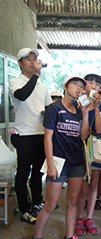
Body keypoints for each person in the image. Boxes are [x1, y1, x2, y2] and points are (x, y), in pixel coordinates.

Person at [33, 74, 89, 239]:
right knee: (51, 203)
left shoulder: (79, 111)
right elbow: (48, 137)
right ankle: (37, 236)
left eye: (81, 86)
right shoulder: (54, 108)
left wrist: (86, 114)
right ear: (65, 86)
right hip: (58, 162)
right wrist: (50, 163)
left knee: (73, 201)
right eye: (75, 84)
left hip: (77, 162)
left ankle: (69, 235)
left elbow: (84, 136)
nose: (79, 88)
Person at [9, 48, 52, 224]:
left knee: (37, 174)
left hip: (40, 134)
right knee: (23, 173)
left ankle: (37, 203)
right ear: (20, 63)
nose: (33, 61)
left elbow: (49, 108)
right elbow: (22, 95)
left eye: (35, 58)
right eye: (28, 59)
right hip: (24, 134)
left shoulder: (43, 87)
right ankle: (25, 209)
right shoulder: (15, 81)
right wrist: (35, 76)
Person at [74, 73, 101, 236]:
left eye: (97, 84)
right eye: (90, 82)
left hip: (95, 148)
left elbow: (99, 130)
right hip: (79, 148)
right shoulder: (76, 103)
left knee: (94, 183)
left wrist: (96, 107)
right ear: (84, 86)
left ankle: (89, 218)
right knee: (82, 186)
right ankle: (78, 218)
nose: (94, 86)